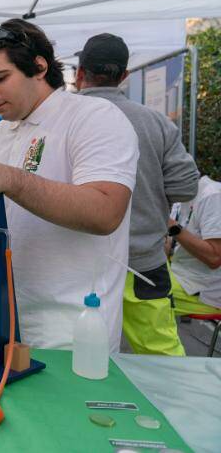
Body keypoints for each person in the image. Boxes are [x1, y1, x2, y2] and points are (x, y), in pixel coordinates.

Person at [0, 19, 139, 352]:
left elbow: (105, 211)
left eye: (0, 78)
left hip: (70, 331)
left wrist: (11, 179)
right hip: (3, 321)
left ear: (39, 66)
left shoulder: (93, 117)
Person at [75, 33, 199, 356]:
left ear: (78, 72)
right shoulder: (155, 122)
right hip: (143, 262)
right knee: (163, 359)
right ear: (124, 77)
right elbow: (187, 187)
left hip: (77, 266)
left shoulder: (63, 119)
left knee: (72, 354)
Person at [168, 175, 221, 319]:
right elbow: (166, 249)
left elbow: (215, 258)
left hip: (205, 291)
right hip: (183, 275)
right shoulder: (181, 197)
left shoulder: (212, 196)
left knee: (133, 292)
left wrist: (171, 225)